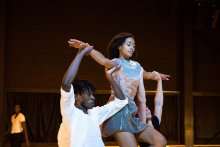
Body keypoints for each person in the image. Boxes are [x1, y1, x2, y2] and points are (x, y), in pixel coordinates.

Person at [68, 32, 167, 147]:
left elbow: (145, 74)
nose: (132, 48)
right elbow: (103, 60)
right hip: (118, 111)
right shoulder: (116, 63)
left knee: (160, 141)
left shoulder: (137, 66)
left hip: (131, 112)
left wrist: (156, 75)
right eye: (129, 44)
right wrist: (86, 48)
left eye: (134, 46)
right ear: (120, 46)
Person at [57, 45, 128, 147]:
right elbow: (66, 83)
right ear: (76, 96)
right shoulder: (70, 112)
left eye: (93, 94)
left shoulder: (95, 113)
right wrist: (81, 53)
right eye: (88, 94)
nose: (93, 97)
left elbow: (122, 101)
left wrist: (109, 77)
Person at [140, 71, 164, 147]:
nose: (147, 109)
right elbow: (141, 99)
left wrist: (159, 81)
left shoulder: (155, 121)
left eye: (147, 108)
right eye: (144, 109)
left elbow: (159, 104)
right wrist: (140, 78)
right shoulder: (140, 125)